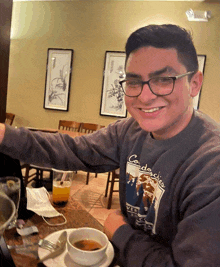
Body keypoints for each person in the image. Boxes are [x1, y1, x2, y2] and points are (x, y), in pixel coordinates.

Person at [0, 24, 220, 266]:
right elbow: (72, 150)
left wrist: (120, 232)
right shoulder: (129, 131)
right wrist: (4, 135)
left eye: (163, 79)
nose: (145, 97)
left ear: (195, 83)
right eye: (134, 82)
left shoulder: (211, 165)